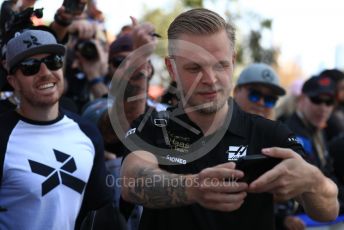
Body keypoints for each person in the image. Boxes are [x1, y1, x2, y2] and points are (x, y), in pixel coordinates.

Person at [119, 8, 339, 230]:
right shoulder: (153, 126)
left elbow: (328, 210)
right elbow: (132, 181)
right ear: (171, 69)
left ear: (233, 61)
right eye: (194, 67)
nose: (210, 79)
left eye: (220, 65)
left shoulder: (270, 134)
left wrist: (314, 182)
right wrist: (194, 188)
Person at [0, 29, 112, 229]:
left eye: (53, 61)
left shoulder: (88, 133)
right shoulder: (3, 135)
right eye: (30, 67)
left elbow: (95, 210)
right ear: (13, 81)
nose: (45, 73)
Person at [233, 63, 305, 230]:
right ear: (236, 92)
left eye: (270, 99)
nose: (261, 102)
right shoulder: (216, 128)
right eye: (254, 94)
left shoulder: (279, 136)